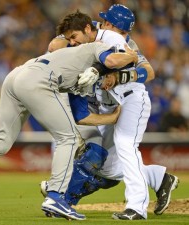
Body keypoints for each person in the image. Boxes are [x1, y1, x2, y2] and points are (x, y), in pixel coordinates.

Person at [0, 40, 138, 220]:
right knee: (69, 138)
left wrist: (110, 118)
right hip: (37, 80)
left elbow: (81, 116)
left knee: (0, 140)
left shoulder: (81, 63)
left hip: (18, 75)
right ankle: (56, 197)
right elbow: (108, 58)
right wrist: (132, 56)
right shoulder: (93, 45)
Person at [42, 6, 179, 220]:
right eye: (115, 28)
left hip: (128, 99)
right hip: (107, 105)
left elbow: (148, 72)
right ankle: (157, 177)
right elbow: (56, 44)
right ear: (108, 25)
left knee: (125, 145)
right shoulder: (89, 31)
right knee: (107, 168)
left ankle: (136, 207)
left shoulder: (125, 44)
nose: (122, 35)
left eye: (124, 33)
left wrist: (119, 76)